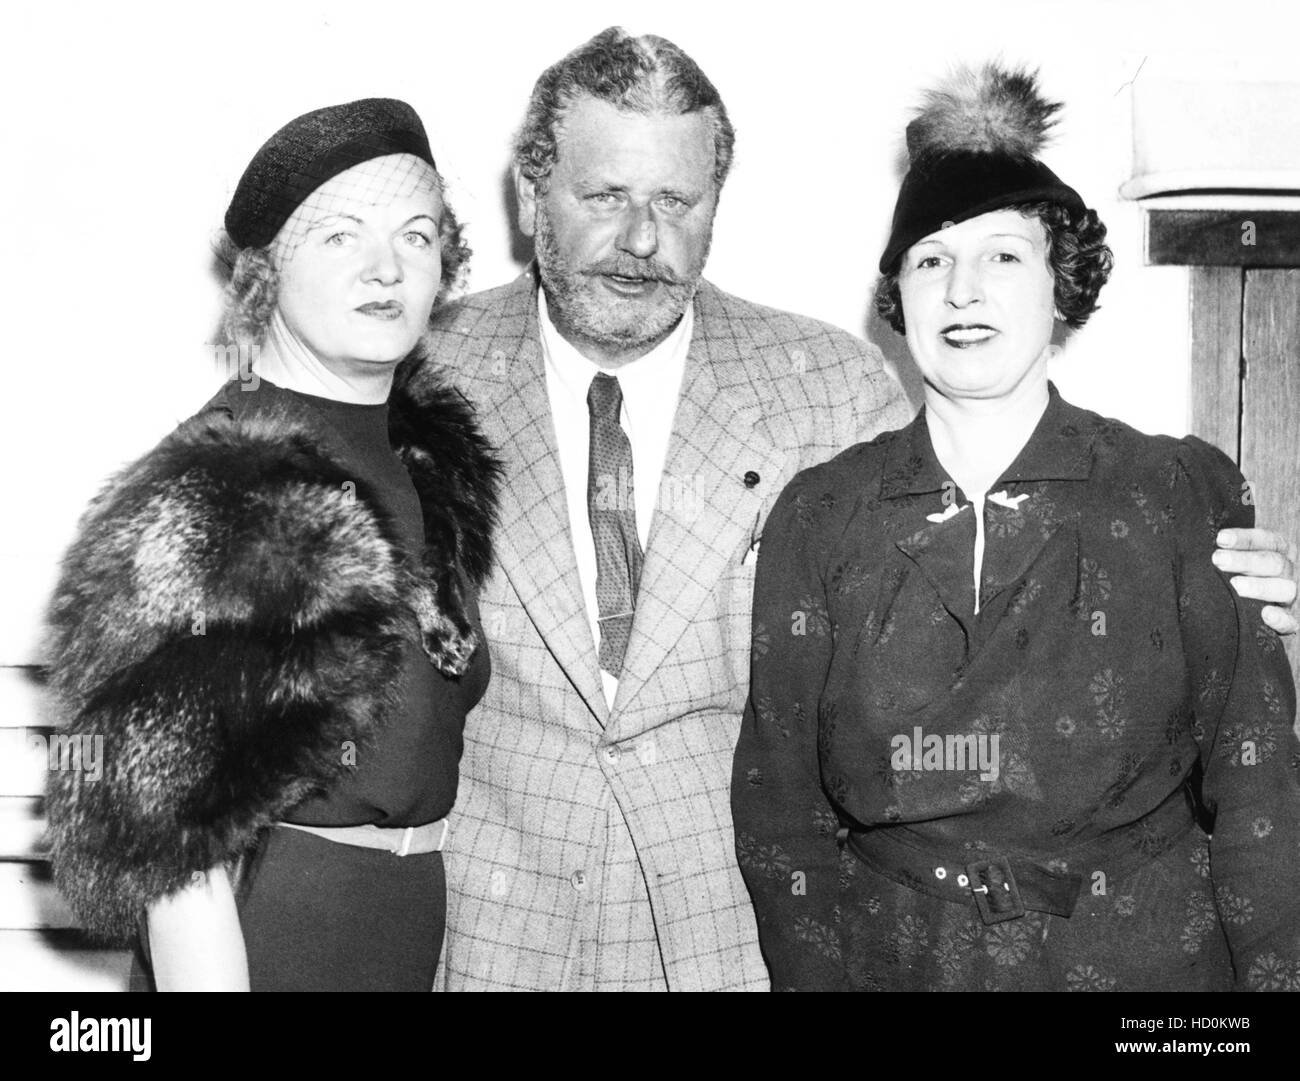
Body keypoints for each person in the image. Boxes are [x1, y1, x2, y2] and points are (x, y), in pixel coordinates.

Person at [412, 31, 1297, 992]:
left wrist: (1247, 600)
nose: (640, 237)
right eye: (604, 196)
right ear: (530, 195)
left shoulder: (827, 384)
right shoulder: (418, 381)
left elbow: (981, 590)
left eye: (675, 200)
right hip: (499, 928)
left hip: (733, 942)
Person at [731, 64, 1300, 991]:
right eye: (931, 260)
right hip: (902, 963)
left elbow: (1260, 782)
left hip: (1144, 972)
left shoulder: (1172, 492)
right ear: (901, 296)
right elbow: (778, 804)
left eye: (1002, 255)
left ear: (1058, 283)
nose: (963, 290)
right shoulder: (823, 512)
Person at [44, 98, 500, 991]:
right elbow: (176, 851)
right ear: (263, 275)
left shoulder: (428, 463)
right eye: (338, 237)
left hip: (403, 934)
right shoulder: (219, 481)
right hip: (267, 941)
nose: (385, 267)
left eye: (416, 235)